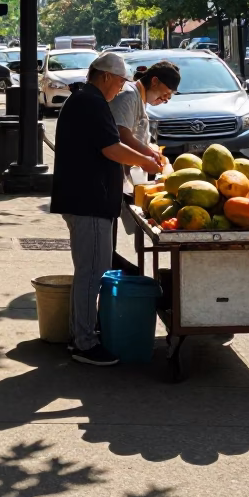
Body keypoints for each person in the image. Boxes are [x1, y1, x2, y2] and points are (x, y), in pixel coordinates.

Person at [50, 51, 161, 366]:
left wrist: (143, 156)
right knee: (92, 272)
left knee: (88, 270)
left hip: (85, 198)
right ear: (107, 77)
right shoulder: (92, 102)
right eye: (121, 81)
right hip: (89, 200)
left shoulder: (87, 99)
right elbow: (111, 148)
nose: (122, 87)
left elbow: (111, 144)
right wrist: (146, 160)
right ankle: (84, 342)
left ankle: (81, 333)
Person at [108, 60, 180, 271]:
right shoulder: (129, 95)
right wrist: (147, 155)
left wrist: (151, 150)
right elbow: (121, 134)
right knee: (104, 243)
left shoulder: (139, 99)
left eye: (169, 98)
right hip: (113, 175)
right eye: (165, 94)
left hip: (124, 176)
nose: (164, 100)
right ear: (154, 81)